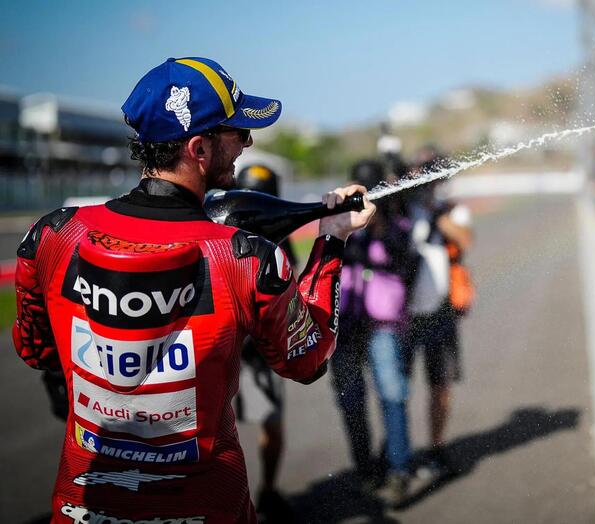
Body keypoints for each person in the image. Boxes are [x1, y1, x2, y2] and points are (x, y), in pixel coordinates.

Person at [12, 57, 374, 522]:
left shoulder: (52, 236)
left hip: (82, 508)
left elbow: (35, 349)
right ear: (199, 149)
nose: (248, 142)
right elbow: (309, 360)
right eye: (239, 132)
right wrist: (332, 240)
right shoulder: (246, 259)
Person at [331, 159, 418, 508]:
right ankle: (366, 469)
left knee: (393, 395)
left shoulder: (397, 225)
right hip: (347, 326)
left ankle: (398, 469)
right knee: (351, 401)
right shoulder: (341, 225)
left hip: (382, 325)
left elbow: (403, 258)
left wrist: (379, 220)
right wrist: (343, 224)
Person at [232, 163, 298, 521]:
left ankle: (268, 492)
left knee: (271, 427)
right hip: (217, 351)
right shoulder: (212, 231)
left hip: (258, 356)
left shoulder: (281, 240)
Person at [405, 157, 474, 483]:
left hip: (441, 312)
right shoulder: (402, 210)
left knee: (440, 383)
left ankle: (436, 446)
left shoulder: (450, 210)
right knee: (396, 388)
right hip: (402, 314)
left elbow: (465, 240)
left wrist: (435, 211)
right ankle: (396, 450)